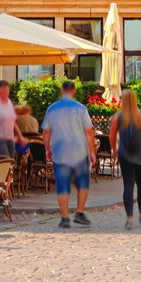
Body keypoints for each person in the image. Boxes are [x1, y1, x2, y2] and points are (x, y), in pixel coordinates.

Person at [42, 80, 97, 229]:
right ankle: (79, 212)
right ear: (73, 91)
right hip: (80, 152)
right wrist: (92, 151)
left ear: (62, 90)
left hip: (60, 152)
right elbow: (89, 132)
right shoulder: (81, 108)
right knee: (83, 183)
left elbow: (46, 132)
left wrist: (47, 149)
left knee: (62, 185)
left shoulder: (52, 109)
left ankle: (65, 217)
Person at [112, 88, 141, 230]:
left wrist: (114, 150)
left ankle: (129, 218)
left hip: (125, 154)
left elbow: (112, 136)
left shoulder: (118, 117)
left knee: (128, 185)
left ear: (123, 101)